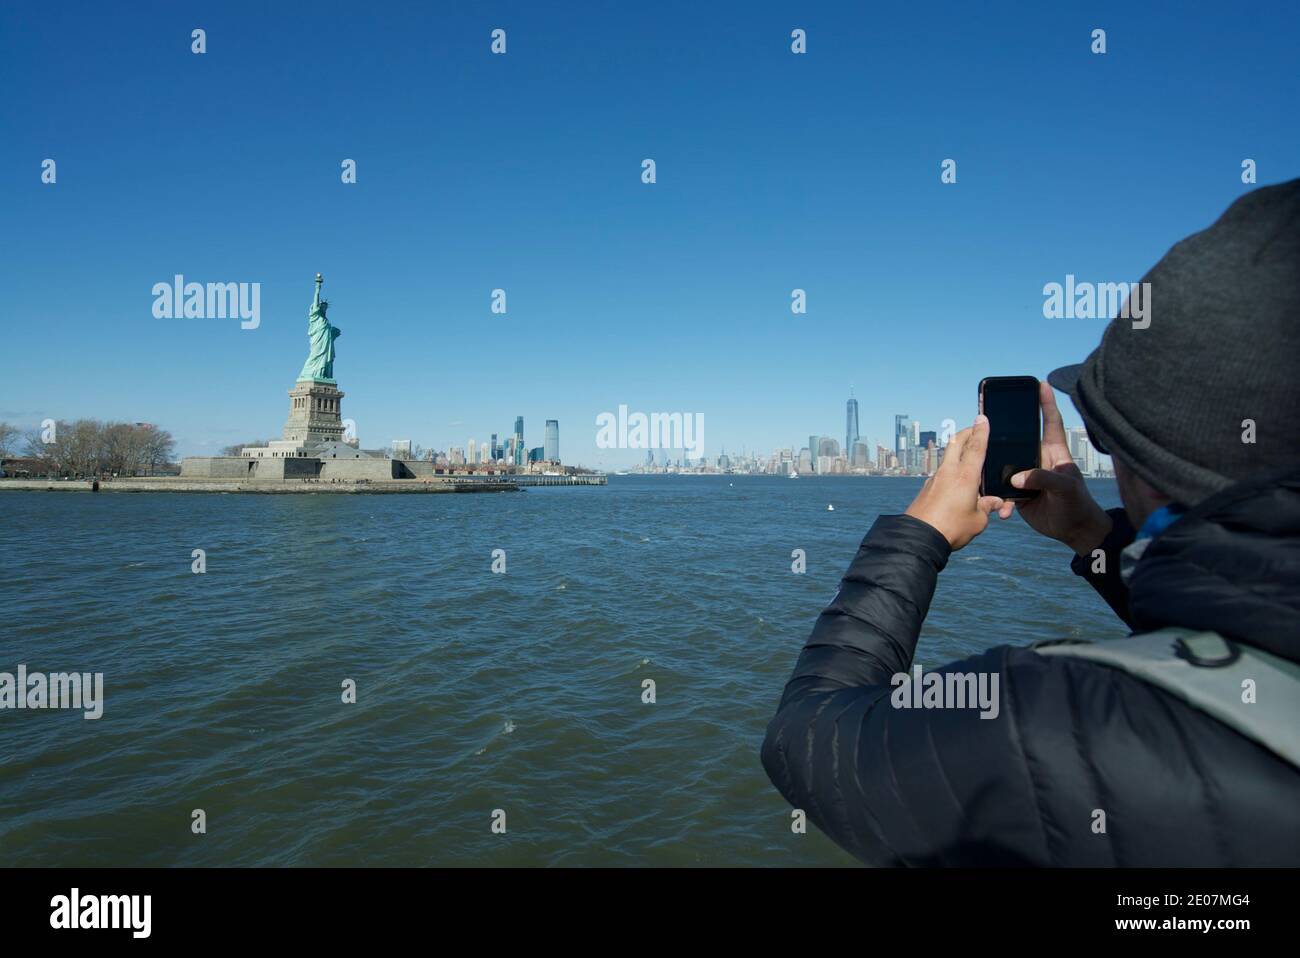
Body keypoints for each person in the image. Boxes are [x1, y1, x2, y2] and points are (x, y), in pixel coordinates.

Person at [761, 179, 1300, 866]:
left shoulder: (1051, 728)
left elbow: (805, 741)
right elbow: (1244, 625)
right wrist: (1093, 537)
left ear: (1139, 460)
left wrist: (918, 535)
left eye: (1104, 435)